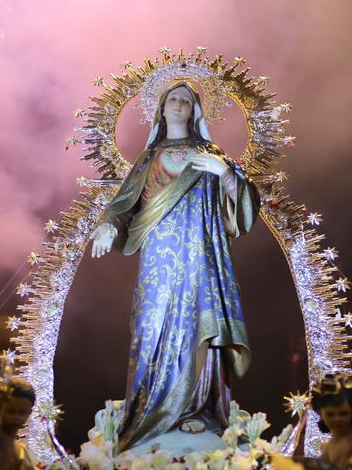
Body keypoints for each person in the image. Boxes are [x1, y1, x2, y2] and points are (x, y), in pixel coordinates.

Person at [90, 80, 260, 450]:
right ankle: (148, 410)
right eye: (173, 99)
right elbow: (123, 205)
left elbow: (243, 210)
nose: (180, 104)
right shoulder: (149, 158)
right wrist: (107, 225)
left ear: (196, 110)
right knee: (152, 326)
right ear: (161, 110)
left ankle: (198, 410)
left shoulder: (212, 154)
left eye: (186, 99)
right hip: (158, 260)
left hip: (201, 253)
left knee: (200, 321)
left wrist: (225, 172)